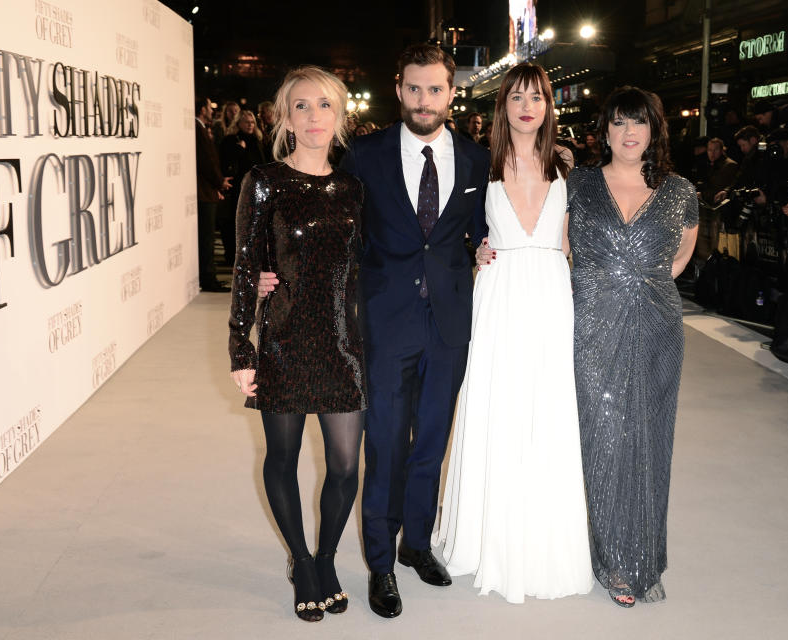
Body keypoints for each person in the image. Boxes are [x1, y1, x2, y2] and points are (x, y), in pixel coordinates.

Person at [259, 43, 489, 619]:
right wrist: (273, 272)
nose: (424, 100)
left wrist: (489, 249)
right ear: (399, 89)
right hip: (381, 324)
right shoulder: (365, 155)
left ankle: (417, 541)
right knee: (384, 445)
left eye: (435, 89)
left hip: (449, 323)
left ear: (451, 93)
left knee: (431, 440)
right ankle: (381, 563)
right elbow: (322, 222)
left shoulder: (476, 158)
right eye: (414, 88)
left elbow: (483, 226)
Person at [436, 62, 593, 604]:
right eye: (517, 97)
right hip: (499, 295)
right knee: (497, 406)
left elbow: (575, 242)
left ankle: (545, 542)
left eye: (538, 97)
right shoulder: (480, 163)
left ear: (550, 106)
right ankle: (486, 539)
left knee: (546, 410)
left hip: (551, 295)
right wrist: (471, 249)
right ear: (501, 105)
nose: (528, 106)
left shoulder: (568, 167)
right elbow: (450, 230)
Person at [228, 66, 366, 623]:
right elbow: (243, 266)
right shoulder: (263, 180)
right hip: (283, 338)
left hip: (342, 343)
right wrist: (242, 348)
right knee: (282, 459)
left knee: (345, 464)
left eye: (325, 105)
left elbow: (366, 265)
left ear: (340, 115)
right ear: (284, 116)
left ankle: (328, 555)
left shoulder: (354, 187)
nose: (314, 117)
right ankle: (302, 562)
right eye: (302, 106)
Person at [565, 86, 698, 606]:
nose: (628, 133)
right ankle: (613, 562)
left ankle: (645, 558)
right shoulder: (578, 184)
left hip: (657, 327)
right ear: (605, 130)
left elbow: (682, 253)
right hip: (592, 327)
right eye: (619, 123)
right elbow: (558, 247)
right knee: (602, 440)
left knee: (649, 440)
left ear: (654, 130)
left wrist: (640, 282)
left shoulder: (680, 190)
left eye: (638, 123)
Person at [195, 96, 232, 292]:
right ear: (202, 109)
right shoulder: (197, 129)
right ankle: (208, 279)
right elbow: (206, 161)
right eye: (210, 107)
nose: (212, 110)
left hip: (207, 190)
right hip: (204, 192)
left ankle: (209, 277)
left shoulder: (201, 128)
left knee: (207, 237)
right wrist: (219, 183)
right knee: (206, 238)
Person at [219, 109, 266, 264]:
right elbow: (227, 164)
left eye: (252, 122)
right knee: (236, 222)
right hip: (238, 190)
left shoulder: (257, 140)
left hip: (256, 189)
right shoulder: (231, 140)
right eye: (247, 122)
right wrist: (239, 149)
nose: (250, 125)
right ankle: (233, 255)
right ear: (238, 123)